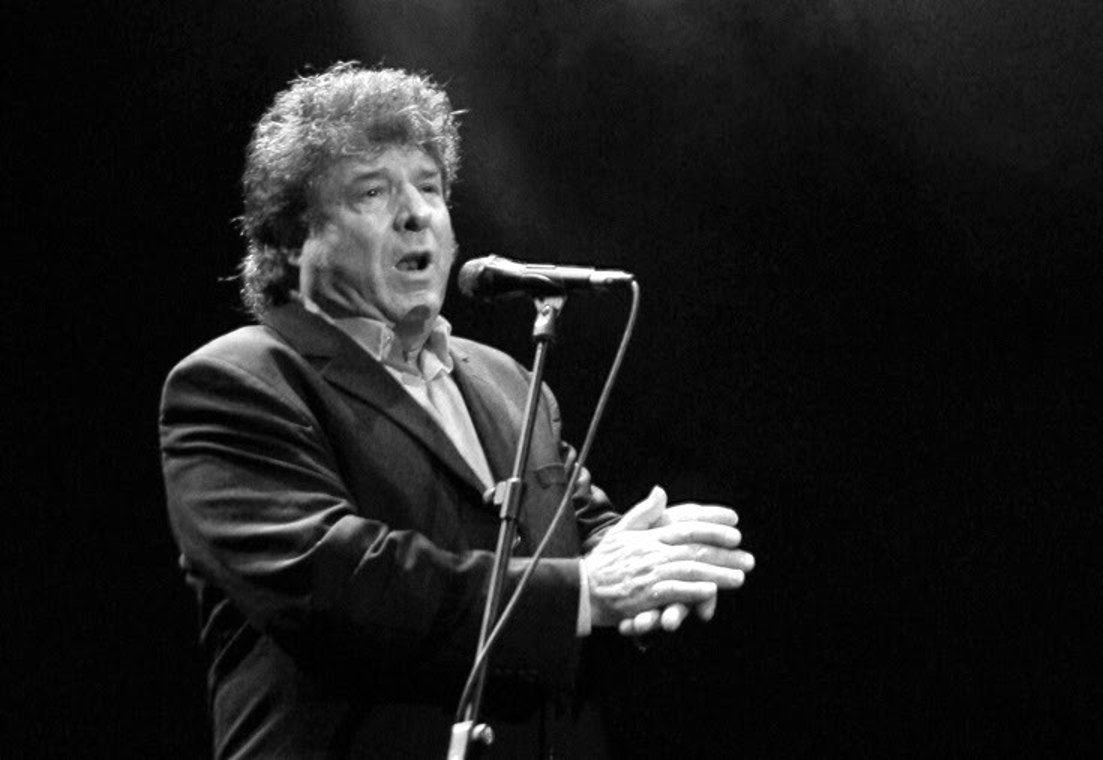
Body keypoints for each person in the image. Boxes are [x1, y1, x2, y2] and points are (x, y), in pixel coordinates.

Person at [159, 61, 755, 758]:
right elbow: (335, 582)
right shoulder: (237, 383)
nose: (416, 213)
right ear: (293, 238)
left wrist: (655, 563)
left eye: (430, 187)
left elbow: (580, 538)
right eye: (373, 191)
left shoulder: (507, 380)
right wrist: (587, 593)